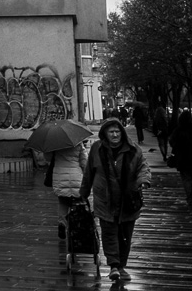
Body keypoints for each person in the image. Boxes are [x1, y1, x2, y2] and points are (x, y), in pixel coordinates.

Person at [80, 117, 151, 284]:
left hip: (128, 200)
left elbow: (143, 166)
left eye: (117, 131)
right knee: (109, 233)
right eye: (111, 132)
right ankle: (114, 266)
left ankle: (121, 266)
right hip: (105, 200)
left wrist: (143, 180)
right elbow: (89, 172)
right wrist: (83, 194)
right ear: (105, 133)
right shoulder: (97, 149)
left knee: (125, 235)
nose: (115, 135)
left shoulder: (133, 149)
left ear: (122, 132)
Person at [52, 140, 88, 238]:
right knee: (78, 203)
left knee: (63, 202)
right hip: (76, 177)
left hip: (60, 176)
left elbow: (48, 158)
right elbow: (84, 161)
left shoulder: (54, 144)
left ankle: (62, 223)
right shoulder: (78, 143)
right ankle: (76, 225)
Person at [168, 109, 192, 208]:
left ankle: (190, 197)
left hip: (182, 159)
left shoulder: (178, 130)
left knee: (186, 179)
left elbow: (172, 142)